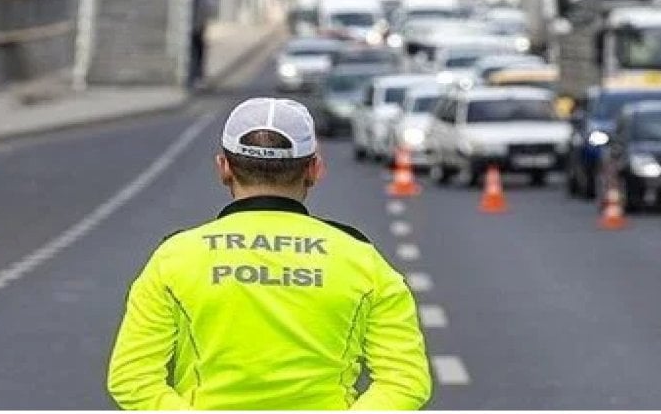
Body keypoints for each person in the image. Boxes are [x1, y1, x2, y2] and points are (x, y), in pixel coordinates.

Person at [108, 98, 432, 410]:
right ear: (314, 170)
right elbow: (405, 381)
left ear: (223, 167)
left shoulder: (175, 258)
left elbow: (132, 378)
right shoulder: (363, 260)